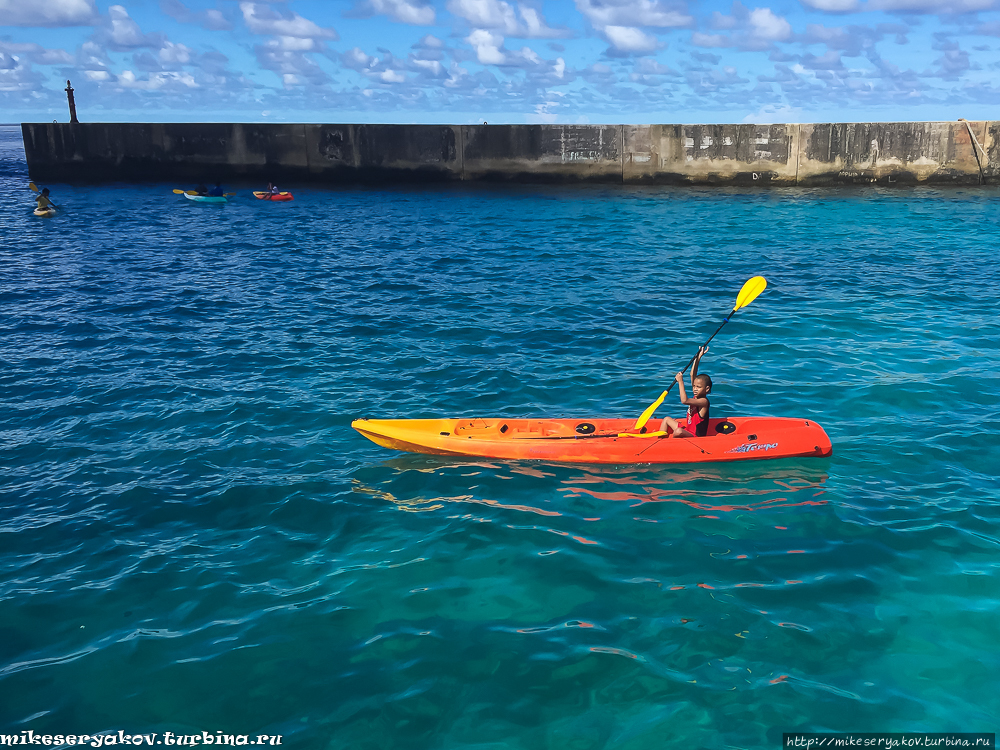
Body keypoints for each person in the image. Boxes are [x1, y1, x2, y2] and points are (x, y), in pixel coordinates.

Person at [659, 346, 711, 437]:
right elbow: (692, 374)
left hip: (695, 437)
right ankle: (659, 442)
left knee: (678, 431)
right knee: (666, 419)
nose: (695, 388)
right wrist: (698, 358)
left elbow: (684, 401)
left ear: (706, 389)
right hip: (688, 430)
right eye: (694, 386)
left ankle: (672, 447)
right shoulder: (696, 395)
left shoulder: (704, 401)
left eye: (698, 387)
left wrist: (680, 381)